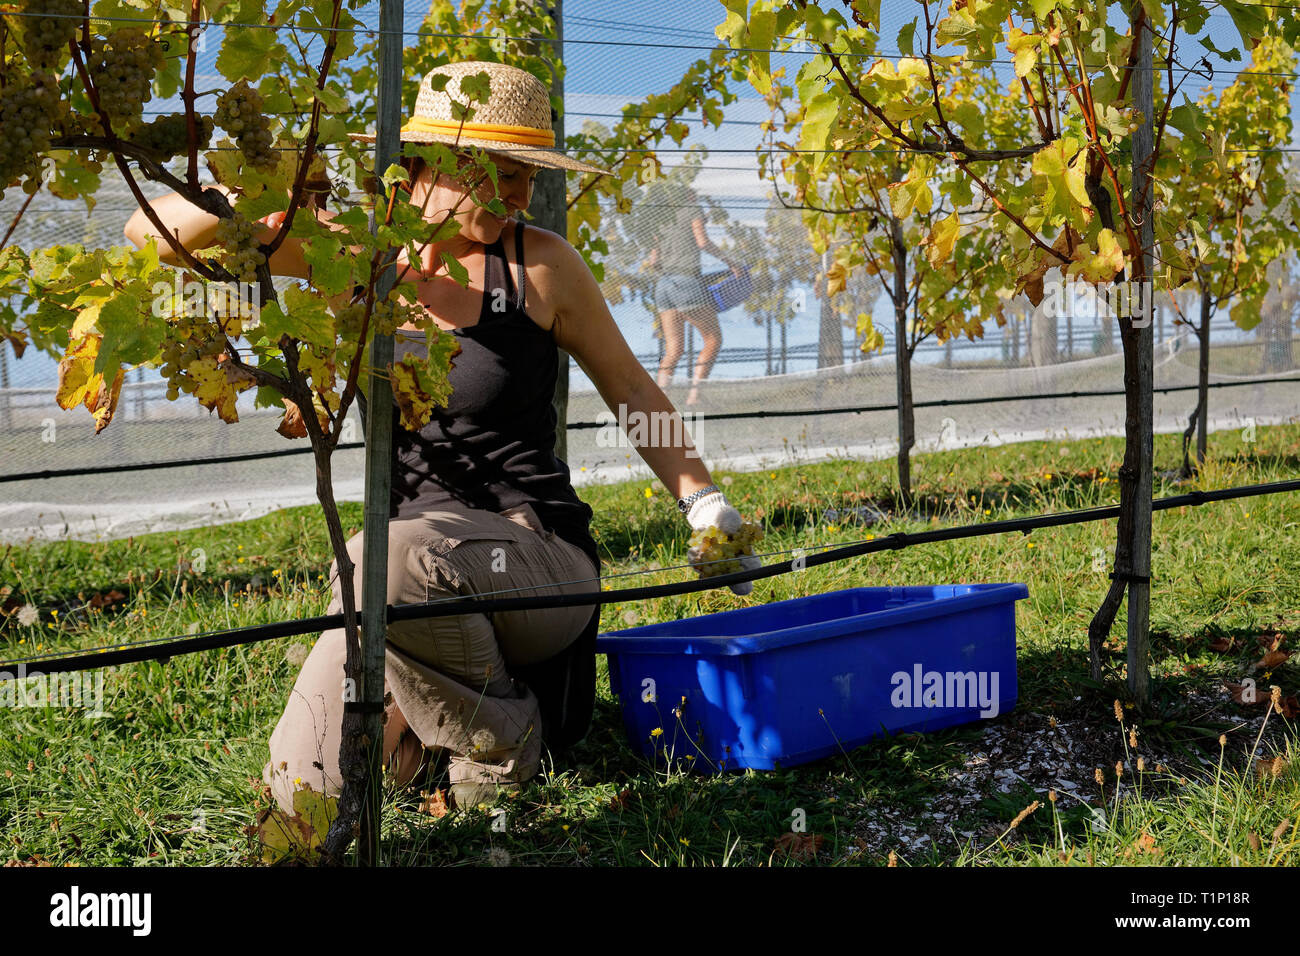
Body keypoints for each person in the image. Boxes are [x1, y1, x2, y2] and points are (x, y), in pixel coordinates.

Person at [122, 60, 761, 813]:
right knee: (303, 798)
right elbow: (150, 235)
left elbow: (632, 389)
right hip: (401, 582)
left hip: (533, 559)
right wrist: (268, 184)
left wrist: (703, 501)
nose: (522, 193)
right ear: (425, 165)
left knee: (381, 561)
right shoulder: (349, 253)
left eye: (529, 173)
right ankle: (433, 734)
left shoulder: (540, 265)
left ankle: (502, 742)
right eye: (498, 171)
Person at [644, 183, 743, 407]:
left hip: (663, 287)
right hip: (686, 283)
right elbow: (702, 241)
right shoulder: (692, 208)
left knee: (673, 349)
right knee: (713, 339)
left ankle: (660, 402)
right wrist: (731, 263)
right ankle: (695, 395)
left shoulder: (663, 217)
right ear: (689, 195)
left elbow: (654, 262)